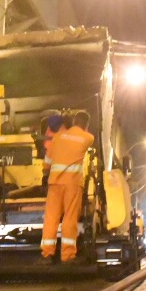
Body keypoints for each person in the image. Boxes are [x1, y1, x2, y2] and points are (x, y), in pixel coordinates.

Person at [41, 109, 94, 261]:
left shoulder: (58, 136)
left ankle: (47, 254)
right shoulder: (87, 137)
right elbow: (84, 140)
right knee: (69, 218)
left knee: (51, 218)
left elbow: (47, 161)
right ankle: (68, 255)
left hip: (54, 183)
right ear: (86, 125)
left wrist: (45, 174)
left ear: (73, 121)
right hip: (72, 184)